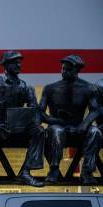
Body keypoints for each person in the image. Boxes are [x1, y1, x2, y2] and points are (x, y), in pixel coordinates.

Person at [0, 50, 45, 187]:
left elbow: (34, 111)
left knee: (39, 130)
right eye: (15, 62)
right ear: (6, 65)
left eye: (20, 62)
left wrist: (32, 123)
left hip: (15, 127)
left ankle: (26, 172)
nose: (19, 64)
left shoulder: (26, 87)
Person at [40, 55, 101, 185]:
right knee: (57, 131)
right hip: (57, 127)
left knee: (95, 131)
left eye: (67, 70)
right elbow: (39, 113)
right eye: (62, 69)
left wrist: (84, 125)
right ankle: (54, 169)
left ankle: (87, 172)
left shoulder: (89, 89)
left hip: (79, 128)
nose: (63, 72)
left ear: (76, 70)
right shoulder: (50, 88)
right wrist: (55, 121)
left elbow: (96, 110)